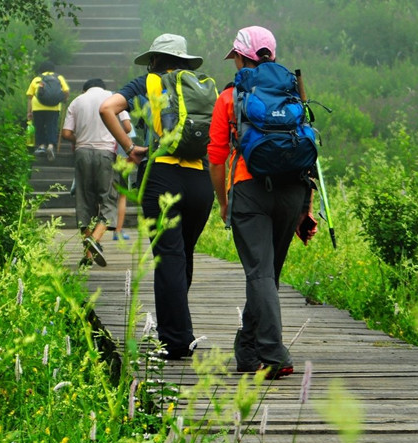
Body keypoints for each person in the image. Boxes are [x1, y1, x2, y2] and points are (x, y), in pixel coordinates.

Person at [208, 26, 318, 380]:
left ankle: (273, 353)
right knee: (267, 275)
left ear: (241, 57)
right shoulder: (292, 91)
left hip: (251, 191)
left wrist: (224, 203)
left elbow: (216, 156)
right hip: (292, 193)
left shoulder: (230, 96)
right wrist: (307, 207)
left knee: (260, 274)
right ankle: (247, 350)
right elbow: (306, 149)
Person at [99, 34, 215, 360]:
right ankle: (180, 332)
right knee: (183, 255)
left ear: (154, 60)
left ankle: (175, 341)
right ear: (183, 62)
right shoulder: (202, 88)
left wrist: (129, 147)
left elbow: (107, 108)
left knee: (168, 259)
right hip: (200, 179)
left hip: (162, 176)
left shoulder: (146, 83)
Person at [62, 78, 132, 267]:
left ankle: (89, 253)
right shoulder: (114, 97)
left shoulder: (77, 101)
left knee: (84, 200)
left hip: (82, 154)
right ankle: (95, 238)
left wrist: (82, 137)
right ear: (103, 86)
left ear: (85, 89)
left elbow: (66, 134)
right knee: (108, 199)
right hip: (105, 155)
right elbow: (127, 127)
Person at [26, 61, 70, 162]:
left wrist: (29, 112)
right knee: (52, 126)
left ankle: (41, 146)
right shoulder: (59, 78)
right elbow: (66, 91)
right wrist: (64, 99)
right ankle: (50, 145)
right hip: (54, 107)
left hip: (37, 107)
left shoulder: (37, 79)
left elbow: (30, 97)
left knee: (39, 126)